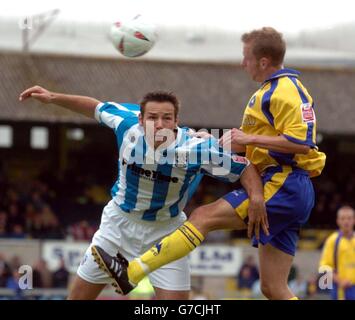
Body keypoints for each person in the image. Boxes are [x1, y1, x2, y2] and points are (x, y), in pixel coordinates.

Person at [100, 27, 326, 300]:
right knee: (272, 288)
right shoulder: (267, 92)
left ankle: (132, 272)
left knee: (202, 217)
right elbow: (251, 143)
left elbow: (303, 142)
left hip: (283, 183)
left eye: (246, 57)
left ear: (263, 61)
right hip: (285, 186)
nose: (243, 63)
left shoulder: (285, 90)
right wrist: (213, 142)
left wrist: (249, 137)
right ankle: (132, 272)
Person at [19, 86, 266, 300]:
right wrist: (52, 97)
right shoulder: (126, 126)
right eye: (153, 117)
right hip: (117, 227)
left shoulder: (196, 149)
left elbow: (243, 167)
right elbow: (94, 107)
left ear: (176, 121)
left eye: (167, 118)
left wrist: (256, 197)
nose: (159, 124)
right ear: (140, 118)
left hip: (167, 234)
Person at [319, 206, 355, 300]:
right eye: (343, 218)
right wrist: (340, 281)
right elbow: (324, 267)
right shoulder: (332, 240)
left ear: (353, 220)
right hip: (340, 290)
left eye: (349, 218)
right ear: (338, 221)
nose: (346, 221)